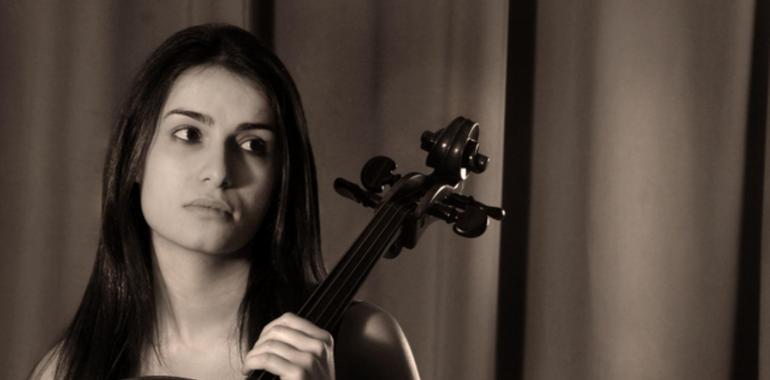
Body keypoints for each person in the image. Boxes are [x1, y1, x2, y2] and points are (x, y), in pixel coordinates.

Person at [29, 23, 420, 380]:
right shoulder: (66, 370)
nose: (218, 172)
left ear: (281, 178)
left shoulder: (364, 343)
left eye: (253, 145)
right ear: (135, 156)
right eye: (188, 134)